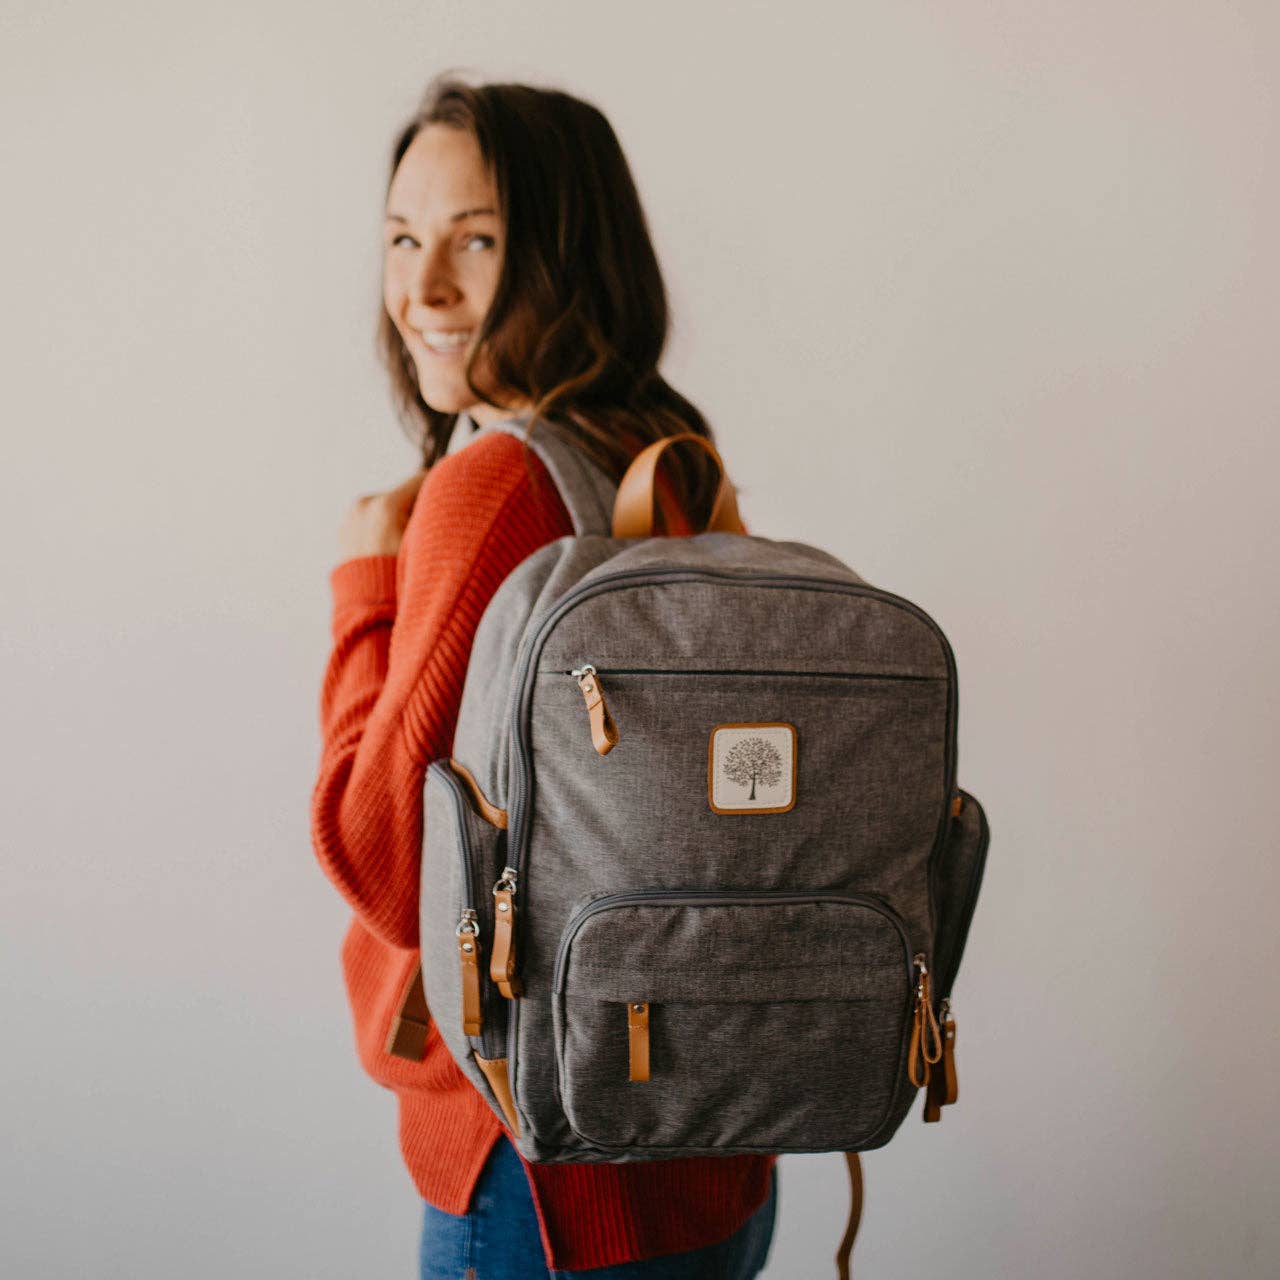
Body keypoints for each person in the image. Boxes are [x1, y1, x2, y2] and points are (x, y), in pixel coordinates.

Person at [310, 74, 777, 1279]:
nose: (422, 289)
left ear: (565, 259)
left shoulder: (497, 484)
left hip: (540, 1179)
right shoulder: (663, 458)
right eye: (401, 238)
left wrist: (365, 585)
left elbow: (380, 855)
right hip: (715, 1147)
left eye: (475, 240)